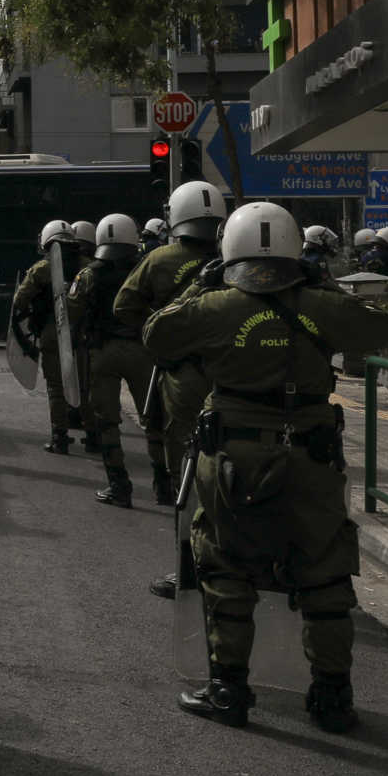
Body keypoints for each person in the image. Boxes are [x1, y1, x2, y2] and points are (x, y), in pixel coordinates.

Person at [146, 202, 388, 732]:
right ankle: (332, 696)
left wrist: (201, 286)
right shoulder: (318, 304)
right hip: (313, 455)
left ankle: (229, 690)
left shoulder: (215, 306)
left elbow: (157, 335)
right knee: (325, 570)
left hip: (234, 455)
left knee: (226, 565)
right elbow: (379, 328)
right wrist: (319, 286)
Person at [122, 181, 228, 597]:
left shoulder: (159, 259)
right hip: (230, 376)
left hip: (182, 377)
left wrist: (159, 332)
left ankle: (191, 567)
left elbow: (124, 308)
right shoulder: (232, 259)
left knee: (188, 472)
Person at [68, 214, 155, 508]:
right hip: (141, 351)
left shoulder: (89, 274)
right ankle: (165, 483)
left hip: (102, 351)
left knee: (107, 420)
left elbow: (71, 312)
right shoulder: (146, 270)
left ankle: (119, 485)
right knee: (153, 416)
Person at [9, 218, 86, 453]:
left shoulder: (43, 268)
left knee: (55, 385)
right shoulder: (88, 265)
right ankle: (93, 436)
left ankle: (59, 437)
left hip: (53, 331)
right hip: (83, 331)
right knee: (86, 383)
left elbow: (19, 300)